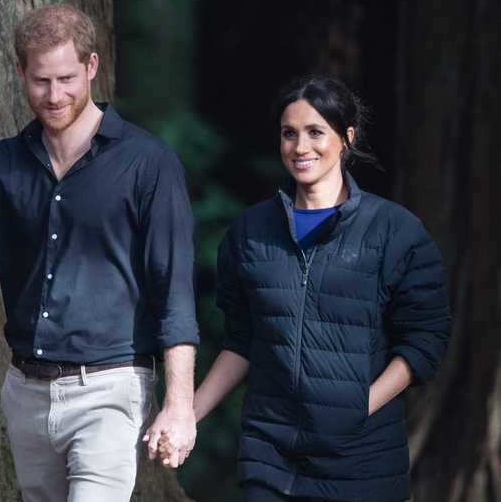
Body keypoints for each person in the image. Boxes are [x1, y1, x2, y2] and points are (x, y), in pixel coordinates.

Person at [0, 4, 198, 502]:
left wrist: (180, 405)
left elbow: (174, 290)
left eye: (66, 79)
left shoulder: (148, 164)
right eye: (40, 81)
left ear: (92, 67)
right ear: (20, 73)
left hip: (110, 387)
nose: (54, 96)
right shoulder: (3, 164)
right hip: (26, 394)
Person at [166, 76, 451, 501]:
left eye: (316, 132)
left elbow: (425, 340)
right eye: (289, 134)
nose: (301, 147)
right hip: (270, 457)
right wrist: (187, 416)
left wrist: (360, 407)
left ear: (346, 138)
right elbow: (241, 342)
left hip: (363, 463)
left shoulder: (396, 231)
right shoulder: (250, 233)